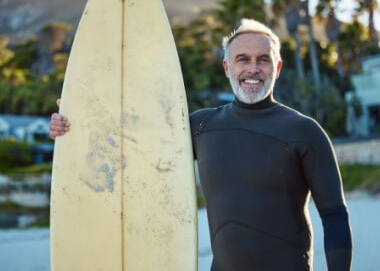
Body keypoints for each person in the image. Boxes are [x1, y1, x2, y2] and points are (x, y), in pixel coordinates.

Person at [50, 18, 353, 270]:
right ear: (226, 67)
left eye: (263, 59)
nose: (253, 68)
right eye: (242, 59)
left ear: (277, 67)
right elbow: (134, 144)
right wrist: (76, 124)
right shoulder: (201, 126)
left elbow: (335, 215)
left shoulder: (304, 131)